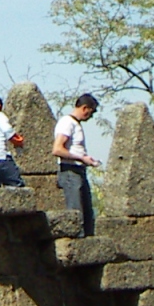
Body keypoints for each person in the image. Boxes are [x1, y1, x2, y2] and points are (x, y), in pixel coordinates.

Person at [53, 93, 100, 237]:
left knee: (86, 213)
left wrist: (86, 160)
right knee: (75, 213)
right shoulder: (67, 122)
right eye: (91, 112)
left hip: (79, 170)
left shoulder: (75, 124)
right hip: (70, 172)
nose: (91, 117)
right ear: (85, 108)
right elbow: (57, 149)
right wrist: (81, 158)